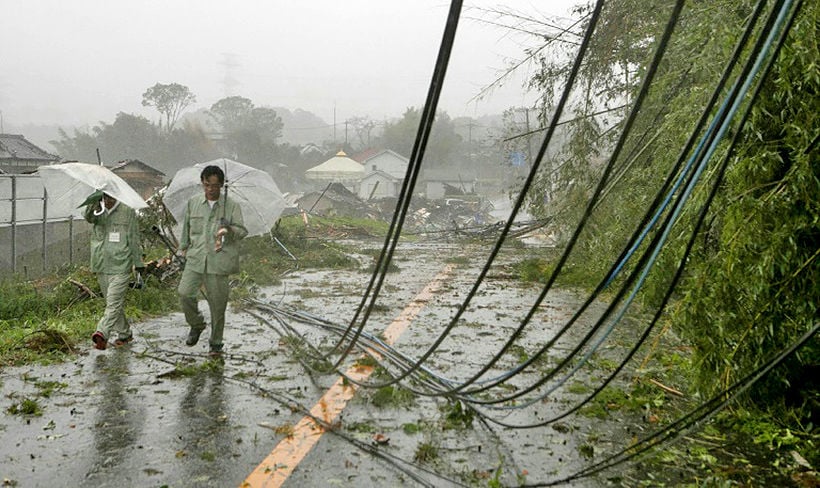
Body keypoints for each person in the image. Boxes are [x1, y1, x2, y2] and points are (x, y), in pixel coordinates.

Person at [177, 165, 247, 355]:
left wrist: (229, 229)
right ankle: (197, 324)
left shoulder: (231, 206)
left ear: (221, 185)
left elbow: (242, 231)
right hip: (196, 258)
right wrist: (182, 248)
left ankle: (216, 343)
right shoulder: (193, 203)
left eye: (214, 186)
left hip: (219, 261)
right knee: (185, 293)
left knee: (218, 306)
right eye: (207, 185)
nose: (210, 189)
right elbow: (187, 229)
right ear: (202, 184)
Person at [83, 191, 143, 350]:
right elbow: (88, 217)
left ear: (117, 196)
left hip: (121, 265)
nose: (107, 201)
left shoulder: (127, 211)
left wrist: (138, 263)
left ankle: (101, 333)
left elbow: (134, 237)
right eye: (104, 197)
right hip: (101, 264)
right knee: (113, 303)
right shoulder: (98, 210)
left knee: (113, 302)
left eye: (110, 197)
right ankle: (125, 334)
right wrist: (93, 201)